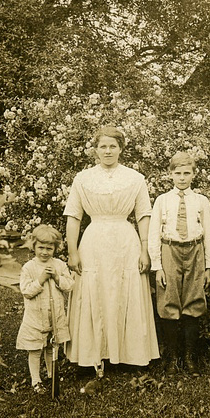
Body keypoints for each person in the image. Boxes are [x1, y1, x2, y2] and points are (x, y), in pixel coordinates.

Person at [64, 125, 159, 375]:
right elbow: (73, 216)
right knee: (93, 290)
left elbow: (143, 215)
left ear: (120, 149)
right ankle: (90, 355)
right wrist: (72, 252)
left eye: (113, 146)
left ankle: (131, 356)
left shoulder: (135, 178)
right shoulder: (82, 178)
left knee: (125, 289)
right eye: (103, 146)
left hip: (125, 241)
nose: (108, 151)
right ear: (95, 150)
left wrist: (144, 250)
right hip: (93, 241)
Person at [148, 152, 210, 376]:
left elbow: (209, 234)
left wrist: (209, 265)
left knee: (194, 300)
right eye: (178, 173)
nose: (182, 178)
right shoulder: (162, 200)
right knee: (168, 300)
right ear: (170, 174)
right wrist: (157, 266)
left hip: (195, 249)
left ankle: (190, 358)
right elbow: (153, 234)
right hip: (170, 249)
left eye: (187, 173)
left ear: (194, 175)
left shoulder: (201, 201)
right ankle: (172, 358)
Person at [16, 224, 74, 393]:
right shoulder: (29, 267)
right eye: (41, 247)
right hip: (35, 317)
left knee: (51, 347)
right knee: (35, 350)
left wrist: (56, 277)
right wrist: (40, 280)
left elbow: (69, 285)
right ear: (33, 246)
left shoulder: (59, 265)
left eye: (49, 248)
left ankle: (51, 375)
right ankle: (36, 380)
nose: (44, 252)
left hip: (55, 315)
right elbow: (26, 291)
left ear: (55, 248)